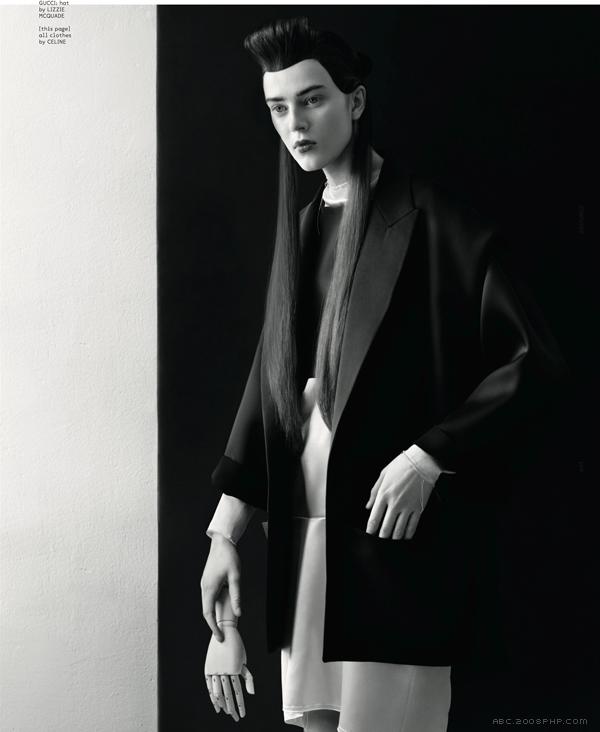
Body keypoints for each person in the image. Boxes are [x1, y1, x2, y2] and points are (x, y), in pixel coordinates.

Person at [200, 16, 569, 732]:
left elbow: (534, 361)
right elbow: (270, 386)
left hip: (390, 546)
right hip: (304, 532)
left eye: (313, 100)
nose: (295, 124)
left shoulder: (433, 222)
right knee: (313, 721)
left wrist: (432, 455)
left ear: (356, 100)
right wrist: (224, 534)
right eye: (278, 107)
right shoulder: (305, 226)